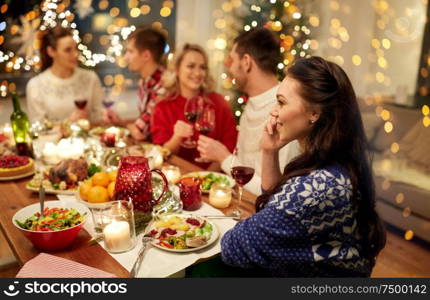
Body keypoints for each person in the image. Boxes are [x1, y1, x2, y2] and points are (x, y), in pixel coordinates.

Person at [218, 57, 386, 277]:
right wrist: (270, 151)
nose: (273, 111)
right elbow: (276, 202)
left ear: (314, 113)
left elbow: (233, 248)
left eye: (281, 102)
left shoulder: (315, 190)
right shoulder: (336, 164)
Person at [197, 27, 300, 195]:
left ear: (246, 62)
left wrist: (223, 158)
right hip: (241, 201)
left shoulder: (284, 110)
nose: (230, 69)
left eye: (232, 61)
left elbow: (273, 191)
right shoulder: (253, 102)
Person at [151, 44, 237, 170]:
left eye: (202, 67)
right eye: (191, 66)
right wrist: (177, 138)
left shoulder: (218, 102)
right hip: (177, 177)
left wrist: (205, 176)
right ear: (177, 69)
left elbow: (230, 147)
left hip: (213, 179)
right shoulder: (163, 107)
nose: (197, 73)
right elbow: (161, 154)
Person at [27, 26, 104, 123]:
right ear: (51, 51)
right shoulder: (35, 85)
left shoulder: (91, 78)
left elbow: (99, 119)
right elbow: (38, 128)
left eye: (75, 48)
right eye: (68, 50)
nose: (75, 54)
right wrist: (68, 123)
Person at [123, 26, 167, 142]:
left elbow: (140, 133)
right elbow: (143, 121)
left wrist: (129, 126)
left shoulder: (164, 85)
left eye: (130, 51)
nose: (126, 57)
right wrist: (119, 122)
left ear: (146, 55)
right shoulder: (145, 82)